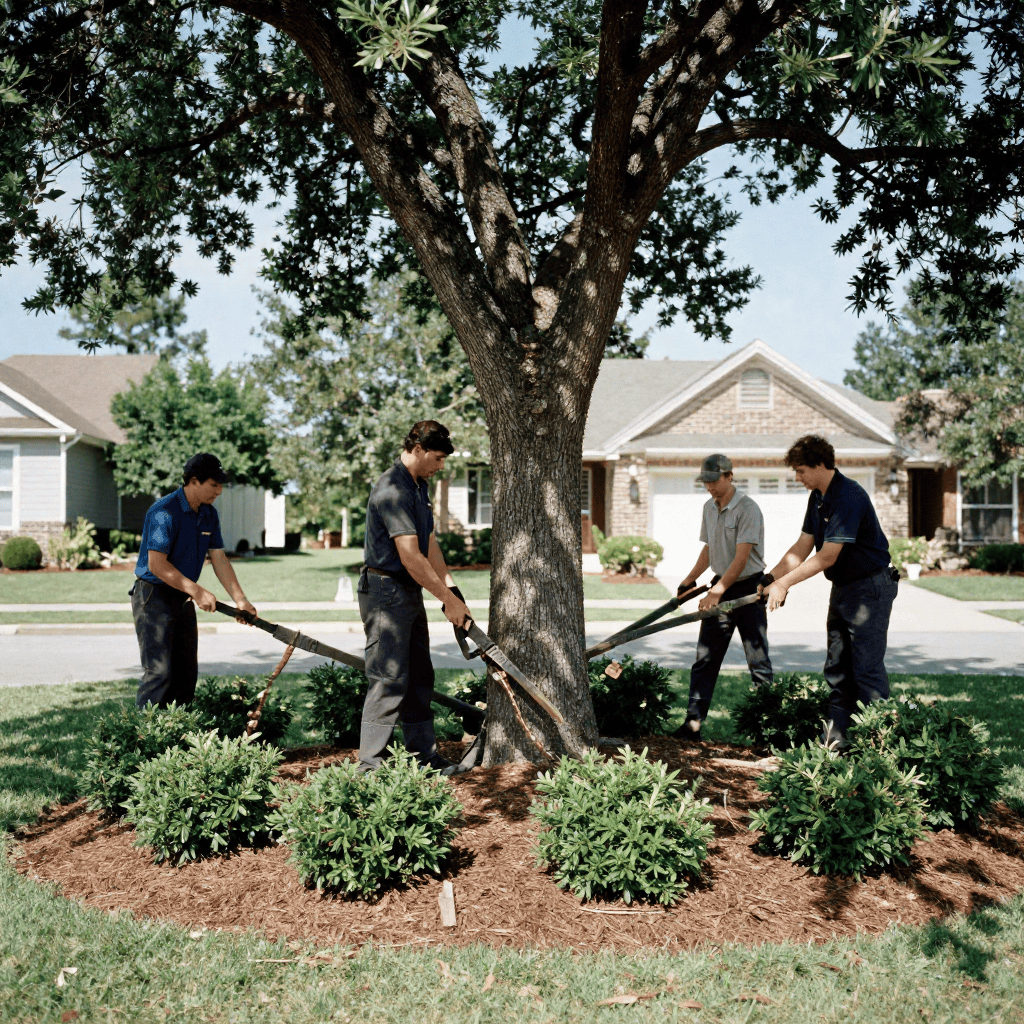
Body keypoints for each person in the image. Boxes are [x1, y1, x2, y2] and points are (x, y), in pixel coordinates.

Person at [760, 435, 899, 749]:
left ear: (820, 465)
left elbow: (826, 556)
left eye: (800, 471)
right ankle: (836, 742)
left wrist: (784, 584)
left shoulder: (848, 496)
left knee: (865, 668)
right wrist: (769, 577)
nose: (797, 478)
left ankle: (878, 746)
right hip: (844, 588)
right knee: (837, 666)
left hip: (870, 587)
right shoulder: (819, 497)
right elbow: (802, 547)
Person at [357, 420, 473, 775]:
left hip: (406, 590)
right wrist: (446, 599)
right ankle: (369, 771)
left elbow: (430, 544)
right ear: (419, 449)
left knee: (420, 676)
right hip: (384, 591)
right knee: (389, 679)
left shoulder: (418, 486)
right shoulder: (392, 489)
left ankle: (425, 759)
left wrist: (451, 592)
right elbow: (409, 556)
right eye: (437, 459)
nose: (441, 467)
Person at [131, 452, 256, 709]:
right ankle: (144, 741)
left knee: (186, 675)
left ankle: (177, 740)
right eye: (214, 484)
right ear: (194, 481)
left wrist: (241, 601)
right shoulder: (164, 511)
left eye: (221, 485)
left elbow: (219, 559)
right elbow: (157, 565)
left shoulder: (208, 514)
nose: (219, 491)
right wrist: (197, 591)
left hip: (182, 596)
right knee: (160, 673)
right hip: (154, 595)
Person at [674, 454, 773, 740]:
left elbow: (742, 558)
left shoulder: (748, 509)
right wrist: (689, 580)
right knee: (705, 658)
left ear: (730, 476)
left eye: (714, 481)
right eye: (705, 482)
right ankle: (692, 724)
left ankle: (767, 729)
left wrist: (717, 591)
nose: (710, 487)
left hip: (748, 589)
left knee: (758, 660)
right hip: (721, 585)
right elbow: (710, 549)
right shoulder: (709, 507)